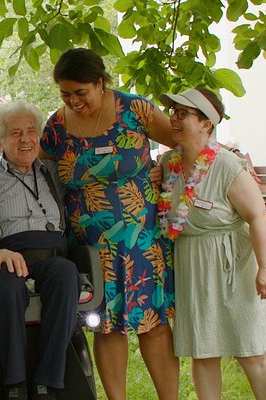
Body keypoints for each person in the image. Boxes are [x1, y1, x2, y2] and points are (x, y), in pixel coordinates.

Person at [40, 48, 179, 400]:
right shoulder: (56, 126)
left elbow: (183, 142)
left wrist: (166, 167)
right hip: (90, 246)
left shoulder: (134, 109)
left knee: (153, 324)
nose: (73, 102)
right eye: (65, 94)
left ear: (100, 83)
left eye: (80, 92)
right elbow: (38, 171)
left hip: (142, 239)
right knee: (105, 326)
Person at [155, 88, 266, 400]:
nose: (173, 119)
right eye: (173, 112)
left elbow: (256, 217)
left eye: (182, 114)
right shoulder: (168, 164)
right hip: (192, 264)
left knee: (252, 349)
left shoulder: (227, 165)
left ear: (206, 124)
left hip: (233, 265)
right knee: (203, 350)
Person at [0, 102, 79, 400]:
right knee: (9, 283)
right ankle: (15, 383)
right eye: (16, 133)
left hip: (50, 258)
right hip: (2, 259)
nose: (26, 139)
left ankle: (47, 383)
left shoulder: (54, 173)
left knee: (67, 273)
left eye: (31, 131)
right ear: (0, 141)